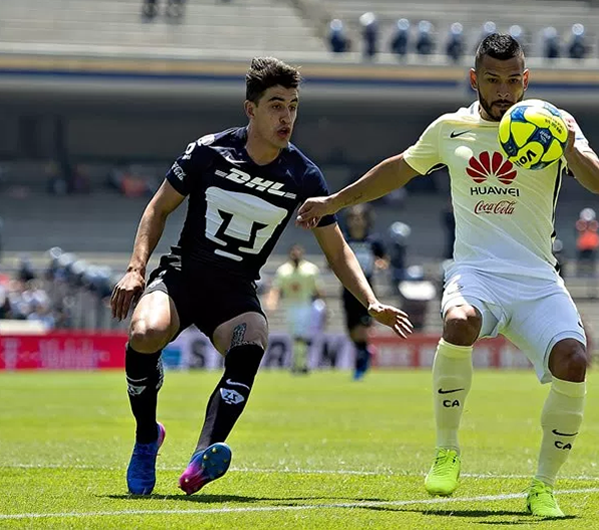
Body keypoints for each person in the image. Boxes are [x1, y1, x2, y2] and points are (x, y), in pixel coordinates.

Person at [296, 34, 599, 517]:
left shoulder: (554, 123)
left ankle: (542, 488)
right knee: (459, 322)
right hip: (476, 272)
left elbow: (598, 182)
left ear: (525, 80)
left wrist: (568, 145)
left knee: (574, 361)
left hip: (537, 279)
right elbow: (399, 169)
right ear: (474, 80)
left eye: (512, 80)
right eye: (492, 80)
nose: (503, 90)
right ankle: (447, 450)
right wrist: (335, 201)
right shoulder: (449, 128)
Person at [110, 57, 412, 497]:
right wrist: (136, 270)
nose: (286, 116)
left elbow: (338, 250)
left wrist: (371, 302)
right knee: (145, 333)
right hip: (183, 276)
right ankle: (145, 439)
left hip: (234, 292)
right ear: (251, 109)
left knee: (252, 341)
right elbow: (158, 208)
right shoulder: (208, 152)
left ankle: (202, 456)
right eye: (275, 105)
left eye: (292, 106)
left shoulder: (303, 176)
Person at [342, 204, 388, 380]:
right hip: (347, 290)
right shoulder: (344, 240)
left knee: (362, 329)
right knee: (352, 330)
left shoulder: (373, 241)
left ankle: (361, 365)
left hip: (367, 289)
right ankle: (364, 352)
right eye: (353, 218)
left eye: (360, 218)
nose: (356, 221)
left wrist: (381, 264)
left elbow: (384, 258)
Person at [265, 244, 322, 374]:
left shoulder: (310, 269)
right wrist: (272, 302)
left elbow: (317, 289)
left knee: (302, 335)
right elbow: (276, 288)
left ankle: (300, 363)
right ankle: (299, 363)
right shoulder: (283, 270)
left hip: (305, 305)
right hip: (290, 305)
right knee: (296, 335)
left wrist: (323, 304)